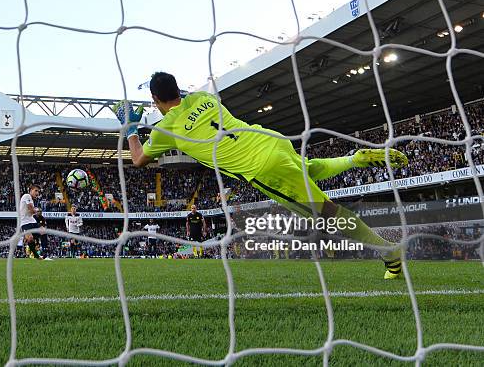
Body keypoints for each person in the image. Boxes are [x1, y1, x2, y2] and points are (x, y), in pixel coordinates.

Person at [113, 72, 408, 279]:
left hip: (261, 167)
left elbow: (138, 159)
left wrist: (131, 129)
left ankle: (388, 252)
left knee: (329, 213)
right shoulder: (203, 97)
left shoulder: (166, 131)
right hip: (270, 140)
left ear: (155, 99)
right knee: (305, 170)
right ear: (178, 89)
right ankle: (353, 159)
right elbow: (182, 101)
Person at [20, 185, 42, 259]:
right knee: (30, 238)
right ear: (30, 190)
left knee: (42, 231)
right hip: (24, 221)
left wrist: (34, 211)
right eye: (36, 190)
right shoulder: (27, 196)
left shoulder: (32, 200)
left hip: (31, 220)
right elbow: (31, 210)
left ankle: (33, 248)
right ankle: (35, 255)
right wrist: (35, 210)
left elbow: (32, 212)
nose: (37, 193)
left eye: (38, 191)